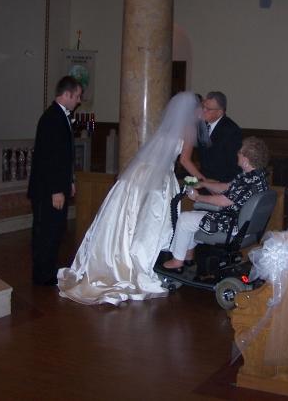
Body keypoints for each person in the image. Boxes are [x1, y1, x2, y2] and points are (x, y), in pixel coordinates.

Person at [58, 92, 208, 305]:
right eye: (201, 108)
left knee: (128, 218)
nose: (202, 112)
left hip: (139, 174)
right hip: (158, 179)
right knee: (150, 223)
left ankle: (120, 258)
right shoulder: (187, 129)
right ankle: (138, 264)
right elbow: (185, 160)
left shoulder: (167, 127)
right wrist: (203, 179)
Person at [162, 136, 269, 270]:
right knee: (194, 216)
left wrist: (198, 197)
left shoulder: (247, 181)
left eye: (240, 152)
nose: (237, 154)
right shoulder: (257, 177)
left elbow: (224, 201)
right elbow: (227, 187)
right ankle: (188, 257)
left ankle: (177, 261)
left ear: (246, 160)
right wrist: (203, 184)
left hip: (232, 225)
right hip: (244, 225)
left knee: (185, 219)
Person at [28, 76, 83, 286]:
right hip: (48, 190)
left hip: (56, 186)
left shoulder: (60, 116)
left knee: (55, 230)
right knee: (46, 231)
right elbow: (48, 158)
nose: (79, 101)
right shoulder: (51, 118)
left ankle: (48, 270)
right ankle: (42, 275)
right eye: (77, 96)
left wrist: (69, 181)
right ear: (67, 94)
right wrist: (56, 190)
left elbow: (63, 157)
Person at [198, 91, 242, 182]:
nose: (203, 111)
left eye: (208, 109)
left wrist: (219, 184)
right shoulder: (202, 126)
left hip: (222, 182)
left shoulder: (231, 130)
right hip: (204, 180)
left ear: (220, 112)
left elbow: (233, 163)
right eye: (203, 107)